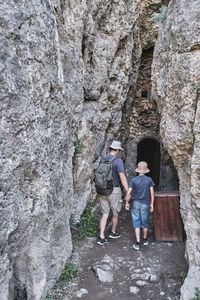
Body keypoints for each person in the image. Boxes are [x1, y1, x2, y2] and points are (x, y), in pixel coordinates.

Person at [97, 141, 129, 246]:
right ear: (118, 150)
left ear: (110, 149)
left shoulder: (103, 159)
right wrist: (128, 190)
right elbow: (122, 176)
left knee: (104, 214)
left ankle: (101, 236)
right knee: (115, 213)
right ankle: (113, 232)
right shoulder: (118, 161)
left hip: (102, 189)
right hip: (114, 190)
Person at [125, 161, 155, 251]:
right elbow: (152, 193)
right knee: (145, 222)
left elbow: (128, 193)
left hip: (136, 203)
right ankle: (145, 240)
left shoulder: (134, 180)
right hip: (145, 203)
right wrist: (151, 204)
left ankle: (138, 243)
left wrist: (127, 203)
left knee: (136, 223)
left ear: (138, 171)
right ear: (146, 171)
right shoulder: (149, 180)